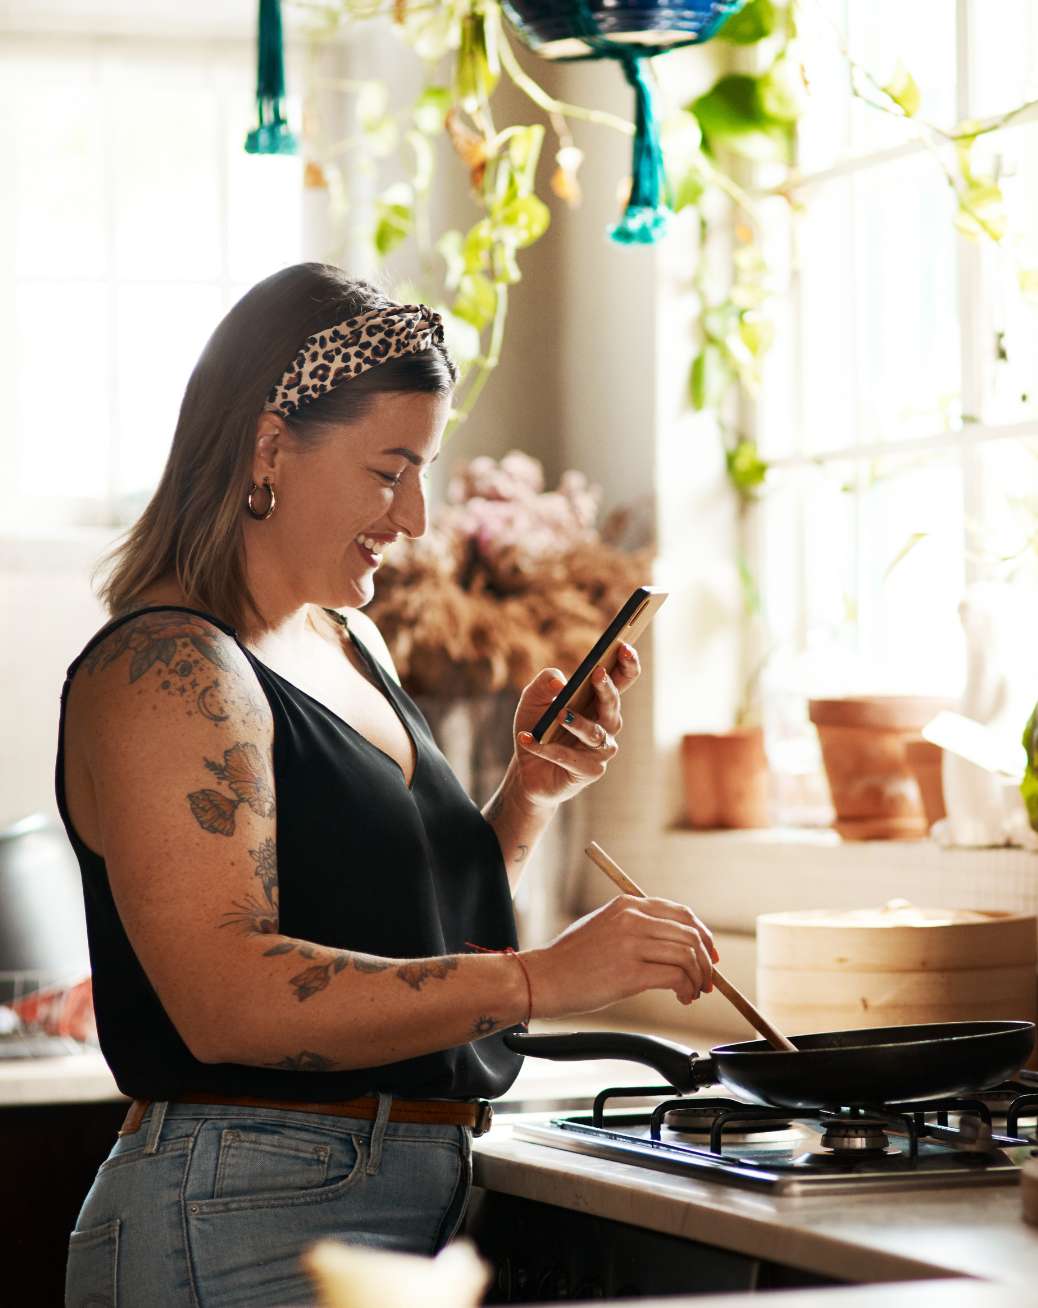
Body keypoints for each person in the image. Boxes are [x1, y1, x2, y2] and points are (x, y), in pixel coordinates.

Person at [55, 263, 717, 1307]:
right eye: (389, 469)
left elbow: (401, 928)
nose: (414, 516)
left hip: (407, 1198)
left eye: (427, 470)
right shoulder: (169, 669)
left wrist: (527, 795)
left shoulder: (348, 640)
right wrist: (542, 977)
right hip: (240, 1216)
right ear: (271, 447)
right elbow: (230, 1001)